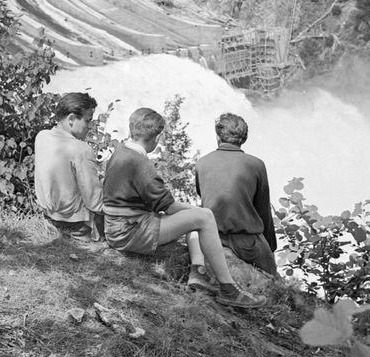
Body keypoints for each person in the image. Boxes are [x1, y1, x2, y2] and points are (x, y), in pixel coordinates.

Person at [103, 107, 267, 309]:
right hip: (130, 232)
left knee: (196, 218)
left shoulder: (122, 151)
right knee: (204, 217)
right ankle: (229, 290)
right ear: (157, 137)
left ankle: (198, 272)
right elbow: (169, 207)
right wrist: (195, 210)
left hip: (117, 227)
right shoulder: (141, 164)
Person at [194, 113, 278, 276]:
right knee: (276, 283)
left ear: (218, 135)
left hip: (212, 237)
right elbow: (263, 209)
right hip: (248, 243)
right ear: (244, 138)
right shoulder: (256, 164)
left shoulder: (202, 162)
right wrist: (270, 247)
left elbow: (203, 196)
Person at [34, 92, 104, 241]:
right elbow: (94, 201)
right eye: (87, 121)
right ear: (71, 119)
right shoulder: (81, 149)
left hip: (48, 218)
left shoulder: (41, 137)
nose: (90, 127)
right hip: (76, 225)